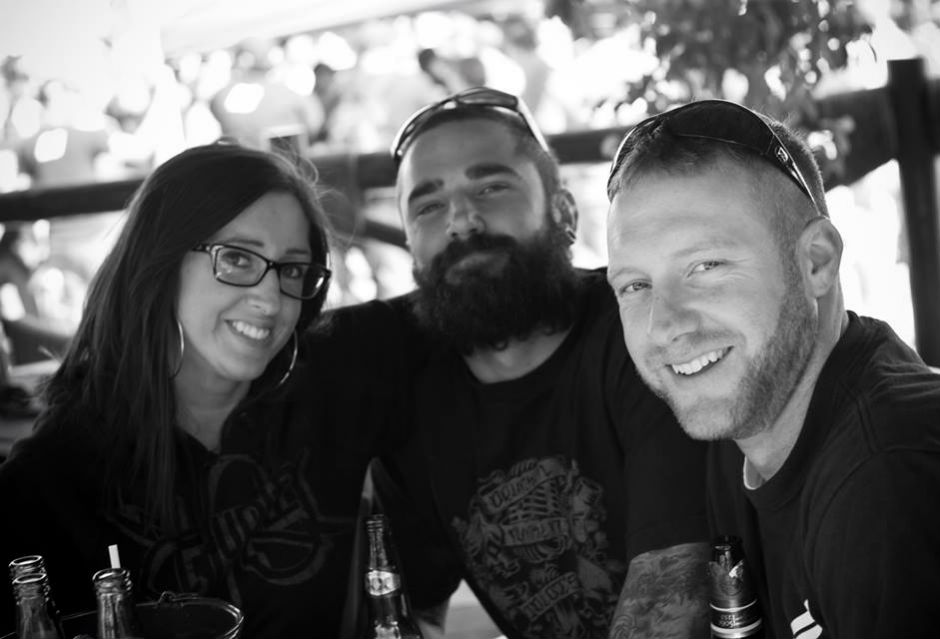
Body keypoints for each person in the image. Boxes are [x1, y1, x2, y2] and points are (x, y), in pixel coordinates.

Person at [0, 142, 417, 637]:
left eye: (291, 269)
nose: (269, 298)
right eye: (237, 259)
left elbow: (473, 296)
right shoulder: (50, 482)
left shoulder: (333, 369)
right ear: (162, 260)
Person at [605, 99, 940, 637]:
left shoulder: (890, 478)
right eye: (636, 285)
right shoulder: (747, 425)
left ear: (816, 261)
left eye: (706, 266)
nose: (664, 324)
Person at [372, 87, 711, 638]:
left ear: (564, 212)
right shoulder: (412, 392)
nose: (460, 220)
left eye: (491, 186)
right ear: (410, 244)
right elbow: (413, 612)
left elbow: (674, 594)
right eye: (428, 205)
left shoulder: (642, 330)